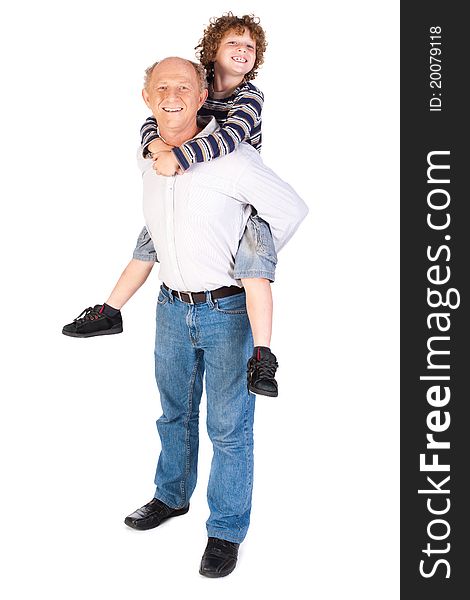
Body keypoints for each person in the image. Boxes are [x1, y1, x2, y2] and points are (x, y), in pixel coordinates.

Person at [123, 57, 308, 578]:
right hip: (170, 307)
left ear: (204, 94)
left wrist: (253, 256)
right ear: (147, 97)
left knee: (229, 429)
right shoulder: (147, 156)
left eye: (185, 85)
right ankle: (170, 496)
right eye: (163, 86)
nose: (173, 94)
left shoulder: (236, 158)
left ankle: (225, 531)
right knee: (173, 414)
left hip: (227, 309)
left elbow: (290, 209)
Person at [62, 13, 280, 397]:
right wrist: (155, 145)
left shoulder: (250, 97)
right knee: (147, 247)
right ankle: (109, 312)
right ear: (212, 52)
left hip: (242, 207)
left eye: (250, 46)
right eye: (233, 43)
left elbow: (229, 139)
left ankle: (263, 355)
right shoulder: (197, 87)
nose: (242, 51)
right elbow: (156, 121)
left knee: (254, 274)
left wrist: (179, 157)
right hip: (188, 199)